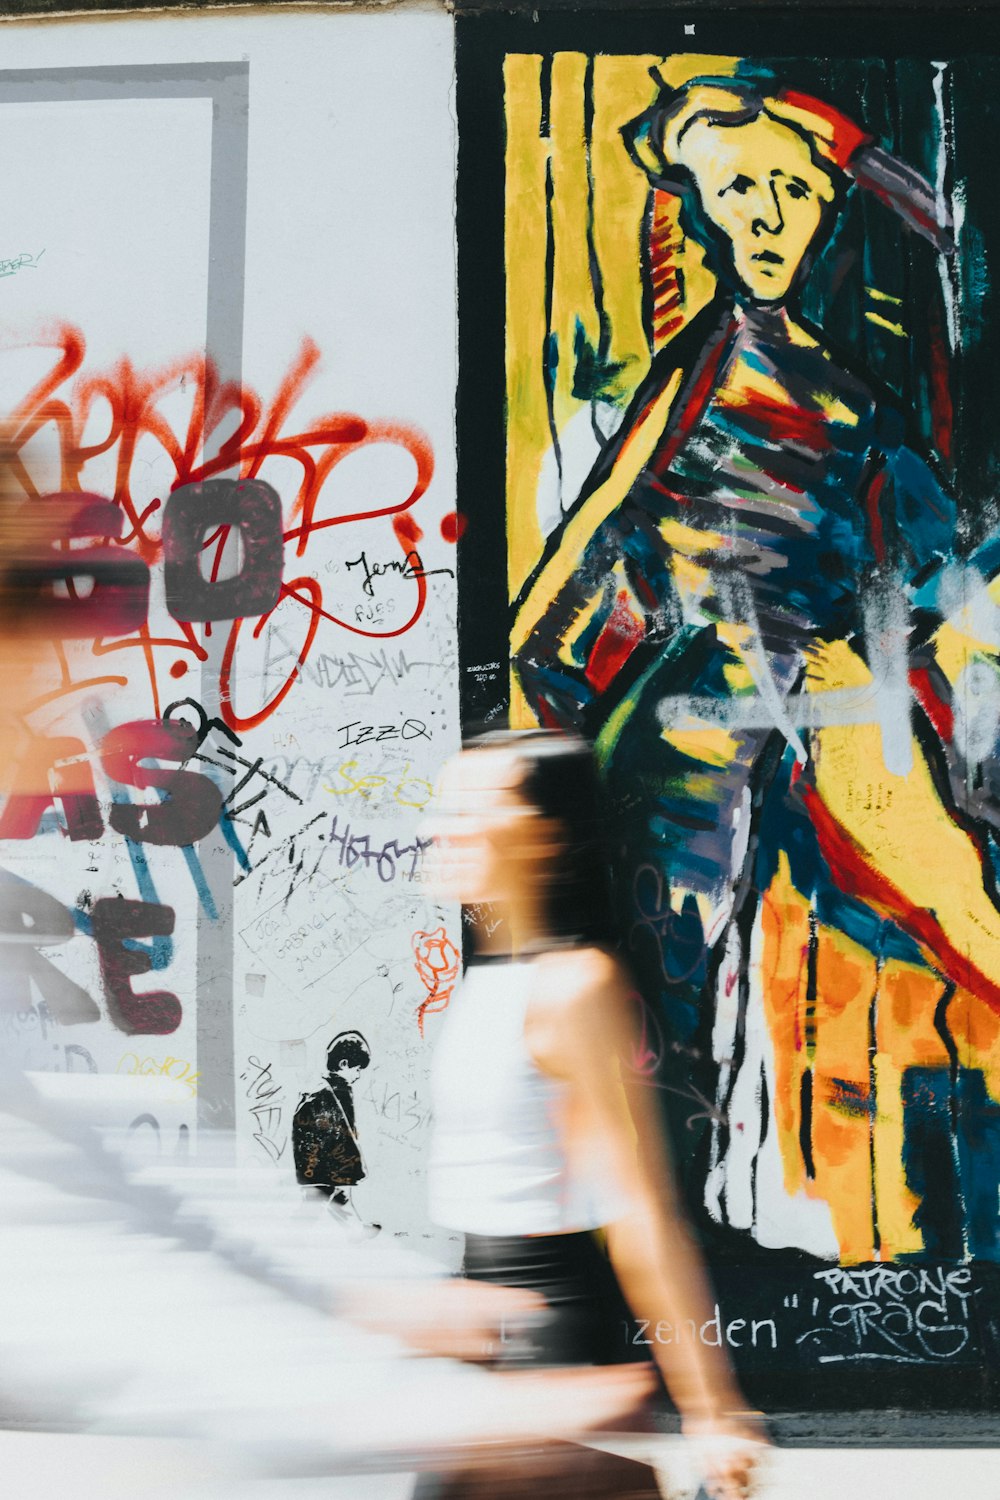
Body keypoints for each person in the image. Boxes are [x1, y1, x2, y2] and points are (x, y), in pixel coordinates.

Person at [510, 73, 1000, 1205]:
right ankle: (654, 1257)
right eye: (741, 190)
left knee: (955, 897)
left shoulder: (851, 401)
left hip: (818, 692)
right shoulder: (700, 375)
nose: (770, 217)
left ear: (828, 209)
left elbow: (944, 566)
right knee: (663, 1008)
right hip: (695, 715)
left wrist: (899, 662)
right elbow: (561, 598)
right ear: (701, 205)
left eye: (793, 188)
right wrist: (563, 741)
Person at [420, 729, 765, 1499]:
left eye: (477, 806)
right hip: (483, 1351)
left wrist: (711, 1408)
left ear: (542, 839)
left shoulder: (575, 987)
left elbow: (640, 1212)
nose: (446, 824)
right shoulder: (489, 981)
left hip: (549, 1353)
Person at [292, 1029, 379, 1235]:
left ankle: (355, 1230)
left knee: (338, 1196)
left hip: (326, 1161)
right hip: (324, 1162)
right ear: (344, 1065)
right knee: (316, 1202)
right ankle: (294, 1234)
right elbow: (333, 1130)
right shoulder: (331, 1093)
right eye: (357, 1069)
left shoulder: (332, 1090)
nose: (358, 1075)